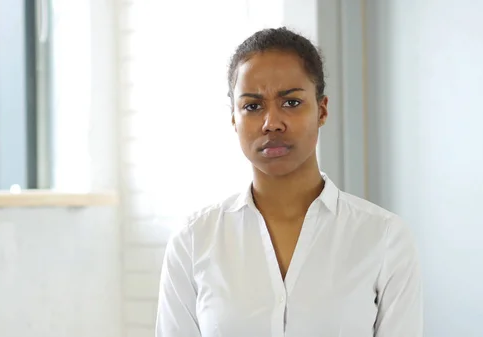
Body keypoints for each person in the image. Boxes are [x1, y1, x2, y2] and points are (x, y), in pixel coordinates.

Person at [155, 27, 423, 337]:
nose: (272, 123)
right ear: (234, 119)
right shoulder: (193, 241)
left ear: (321, 110)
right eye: (253, 106)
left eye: (291, 103)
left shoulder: (385, 238)